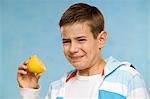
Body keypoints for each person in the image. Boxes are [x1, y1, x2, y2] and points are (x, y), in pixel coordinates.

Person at [17, 3, 149, 99]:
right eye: (66, 41)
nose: (73, 49)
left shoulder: (128, 78)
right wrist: (29, 92)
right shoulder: (58, 88)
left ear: (101, 39)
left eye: (81, 40)